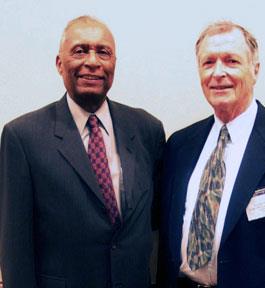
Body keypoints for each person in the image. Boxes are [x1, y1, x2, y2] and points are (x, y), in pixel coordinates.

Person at [0, 15, 165, 288]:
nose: (92, 61)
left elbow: (155, 226)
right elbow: (15, 247)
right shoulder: (23, 137)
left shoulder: (147, 129)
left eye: (104, 52)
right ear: (59, 63)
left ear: (114, 64)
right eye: (80, 50)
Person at [158, 21, 265, 288]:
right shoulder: (180, 145)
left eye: (231, 61)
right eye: (208, 62)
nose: (218, 72)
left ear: (255, 69)